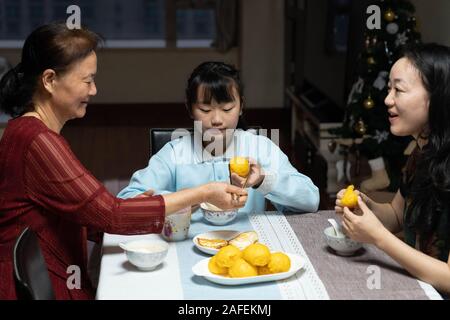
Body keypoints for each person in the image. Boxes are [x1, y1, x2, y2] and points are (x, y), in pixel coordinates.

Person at [0, 23, 247, 300]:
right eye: (87, 80)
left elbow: (87, 212)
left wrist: (137, 208)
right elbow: (110, 214)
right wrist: (203, 193)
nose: (94, 90)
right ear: (49, 80)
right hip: (41, 285)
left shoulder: (29, 132)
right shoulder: (37, 141)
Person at [118, 61, 319, 214]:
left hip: (246, 247)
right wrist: (195, 197)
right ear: (189, 109)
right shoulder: (174, 153)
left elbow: (311, 200)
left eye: (227, 109)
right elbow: (126, 201)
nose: (216, 119)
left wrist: (262, 180)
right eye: (205, 109)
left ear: (241, 107)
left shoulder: (259, 147)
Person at [335, 43, 450, 296]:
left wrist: (379, 238)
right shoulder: (421, 152)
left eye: (398, 89)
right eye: (389, 89)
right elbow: (397, 215)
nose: (387, 99)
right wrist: (366, 207)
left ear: (438, 96)